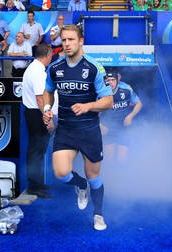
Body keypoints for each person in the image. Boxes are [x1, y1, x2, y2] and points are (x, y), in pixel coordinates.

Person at [43, 25, 113, 231]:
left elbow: (108, 101)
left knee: (94, 176)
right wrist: (47, 108)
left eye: (71, 40)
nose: (67, 44)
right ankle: (80, 185)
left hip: (90, 130)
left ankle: (98, 214)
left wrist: (88, 106)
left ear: (81, 41)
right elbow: (48, 91)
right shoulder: (54, 67)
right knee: (61, 172)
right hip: (65, 128)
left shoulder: (94, 67)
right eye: (64, 40)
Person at [22, 43, 53, 199]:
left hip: (34, 113)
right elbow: (40, 98)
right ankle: (34, 186)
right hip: (37, 114)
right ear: (47, 54)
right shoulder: (38, 72)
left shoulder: (33, 68)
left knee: (37, 151)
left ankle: (37, 183)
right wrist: (48, 119)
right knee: (36, 151)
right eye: (51, 54)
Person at [100, 69, 142, 164]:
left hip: (124, 128)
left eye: (113, 80)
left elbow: (139, 103)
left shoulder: (126, 89)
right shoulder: (100, 92)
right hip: (108, 129)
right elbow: (93, 111)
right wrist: (100, 125)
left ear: (117, 80)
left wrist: (131, 115)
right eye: (108, 80)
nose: (110, 82)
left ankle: (122, 176)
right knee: (109, 159)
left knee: (122, 160)